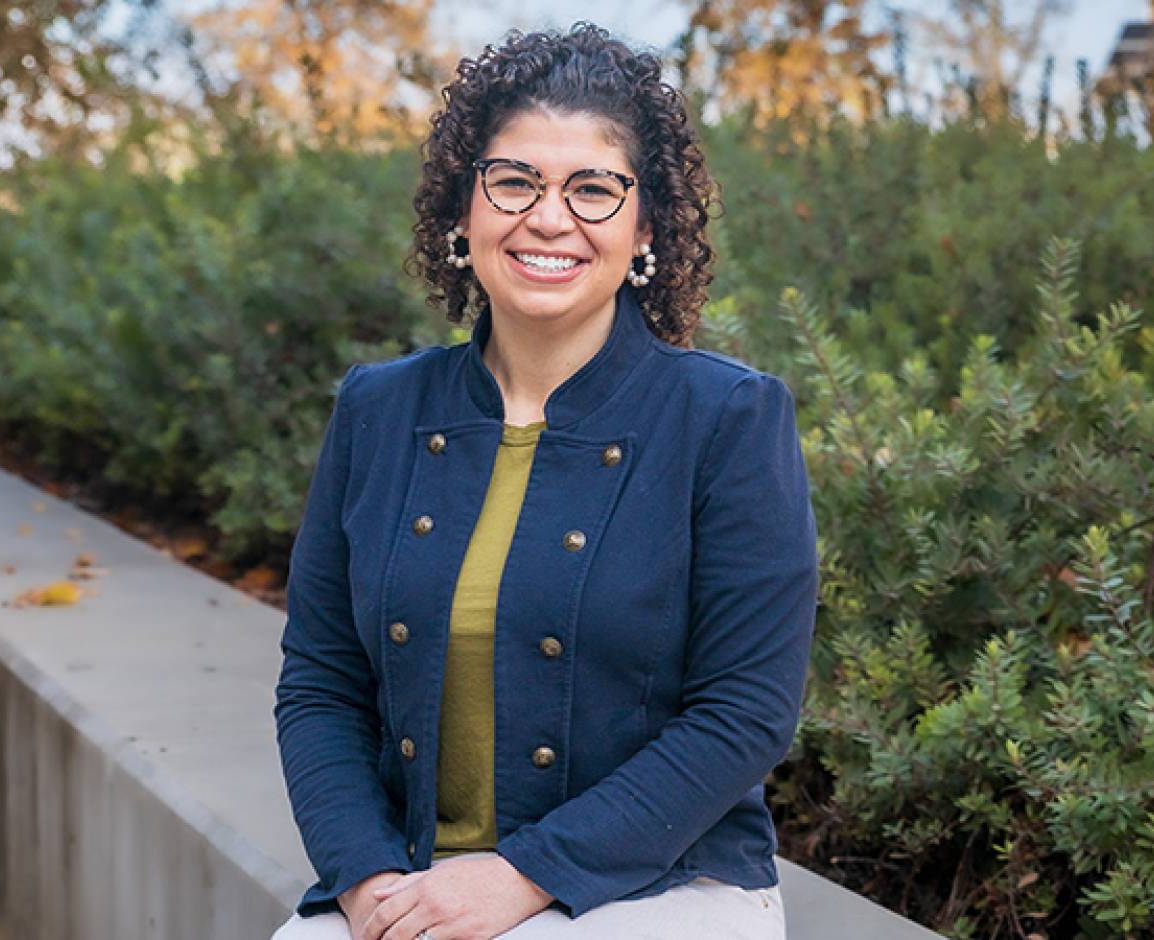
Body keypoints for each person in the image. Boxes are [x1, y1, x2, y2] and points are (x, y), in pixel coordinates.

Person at [271, 22, 818, 940]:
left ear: (645, 227)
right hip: (411, 877)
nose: (549, 218)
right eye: (514, 181)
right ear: (465, 209)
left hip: (662, 888)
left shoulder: (727, 419)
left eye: (593, 189)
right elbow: (321, 683)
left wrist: (523, 876)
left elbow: (744, 715)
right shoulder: (378, 410)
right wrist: (365, 878)